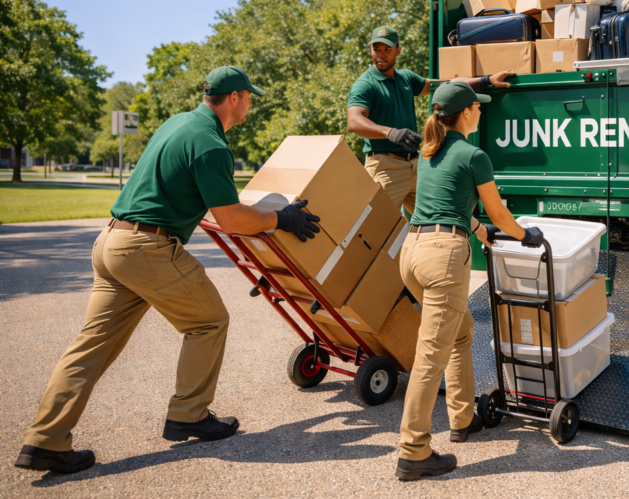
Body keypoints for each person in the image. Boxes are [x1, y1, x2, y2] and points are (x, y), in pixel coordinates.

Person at [14, 66, 321, 474]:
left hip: (111, 242)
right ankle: (189, 414)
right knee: (209, 322)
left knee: (90, 347)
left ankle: (45, 441)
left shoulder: (178, 123)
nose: (250, 102)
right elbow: (230, 219)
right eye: (248, 96)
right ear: (233, 98)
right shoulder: (211, 144)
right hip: (147, 248)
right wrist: (281, 219)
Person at [394, 81, 543, 482]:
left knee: (460, 333)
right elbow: (499, 214)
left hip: (413, 252)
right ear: (465, 113)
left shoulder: (429, 152)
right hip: (443, 260)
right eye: (477, 107)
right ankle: (413, 452)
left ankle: (461, 419)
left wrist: (476, 230)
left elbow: (445, 204)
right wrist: (524, 235)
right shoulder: (475, 155)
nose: (480, 111)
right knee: (430, 357)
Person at [347, 25, 514, 214]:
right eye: (376, 49)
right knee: (375, 230)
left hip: (415, 166)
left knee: (439, 216)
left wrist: (485, 80)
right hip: (385, 168)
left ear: (398, 50)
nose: (381, 54)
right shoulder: (365, 85)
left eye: (387, 49)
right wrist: (390, 133)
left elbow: (446, 86)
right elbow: (354, 122)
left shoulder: (406, 78)